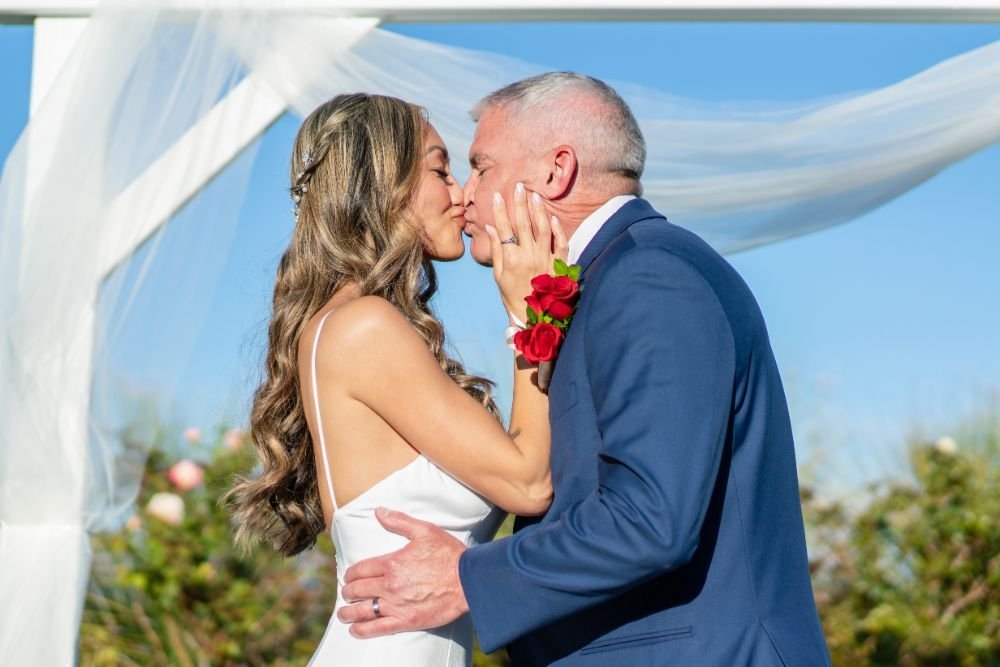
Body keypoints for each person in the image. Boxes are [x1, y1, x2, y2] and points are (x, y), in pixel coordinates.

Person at [338, 73, 832, 665]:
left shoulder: (649, 278)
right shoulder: (611, 279)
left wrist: (468, 579)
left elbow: (651, 518)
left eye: (482, 166)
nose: (466, 194)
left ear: (555, 171)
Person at [225, 92, 567, 666]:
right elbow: (529, 484)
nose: (462, 195)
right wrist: (533, 309)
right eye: (440, 169)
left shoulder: (344, 324)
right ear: (383, 180)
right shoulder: (364, 327)